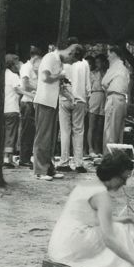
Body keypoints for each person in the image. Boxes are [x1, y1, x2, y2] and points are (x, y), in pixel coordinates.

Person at [47, 151, 134, 267]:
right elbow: (108, 238)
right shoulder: (102, 195)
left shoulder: (87, 185)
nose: (125, 183)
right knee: (118, 232)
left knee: (121, 227)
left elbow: (91, 220)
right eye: (124, 178)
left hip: (60, 245)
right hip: (71, 247)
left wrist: (126, 219)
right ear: (113, 175)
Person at [32, 42, 83, 181]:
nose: (71, 63)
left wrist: (70, 97)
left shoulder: (59, 63)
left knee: (51, 139)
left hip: (53, 103)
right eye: (72, 60)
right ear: (71, 52)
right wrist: (60, 76)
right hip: (44, 101)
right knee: (42, 137)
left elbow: (59, 86)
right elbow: (45, 78)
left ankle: (49, 168)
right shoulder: (50, 58)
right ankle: (39, 170)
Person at [58, 40, 90, 173]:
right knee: (79, 131)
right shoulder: (84, 63)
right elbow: (88, 85)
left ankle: (64, 161)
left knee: (65, 131)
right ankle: (79, 163)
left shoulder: (63, 61)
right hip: (80, 98)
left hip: (64, 98)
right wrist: (87, 101)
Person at [102, 45, 131, 154]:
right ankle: (117, 156)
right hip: (122, 99)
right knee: (118, 131)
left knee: (110, 130)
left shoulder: (115, 67)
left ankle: (109, 156)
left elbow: (104, 82)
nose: (108, 58)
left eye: (109, 55)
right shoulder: (125, 69)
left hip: (114, 98)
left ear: (114, 54)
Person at [4, 54, 31, 168]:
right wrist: (30, 94)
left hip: (3, 108)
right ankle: (6, 159)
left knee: (5, 133)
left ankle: (6, 158)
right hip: (12, 107)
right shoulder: (13, 76)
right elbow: (18, 89)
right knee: (11, 134)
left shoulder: (2, 74)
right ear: (13, 64)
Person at [18, 46, 42, 167]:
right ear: (35, 57)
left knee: (32, 131)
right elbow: (25, 85)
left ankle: (28, 156)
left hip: (33, 102)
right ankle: (23, 158)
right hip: (27, 102)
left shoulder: (33, 68)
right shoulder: (26, 67)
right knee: (27, 131)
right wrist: (39, 88)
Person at [87, 54, 107, 157]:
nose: (98, 64)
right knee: (92, 125)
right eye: (97, 62)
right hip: (95, 95)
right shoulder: (93, 74)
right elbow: (88, 87)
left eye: (100, 62)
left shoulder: (107, 73)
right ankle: (90, 149)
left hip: (104, 97)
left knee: (100, 125)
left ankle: (97, 148)